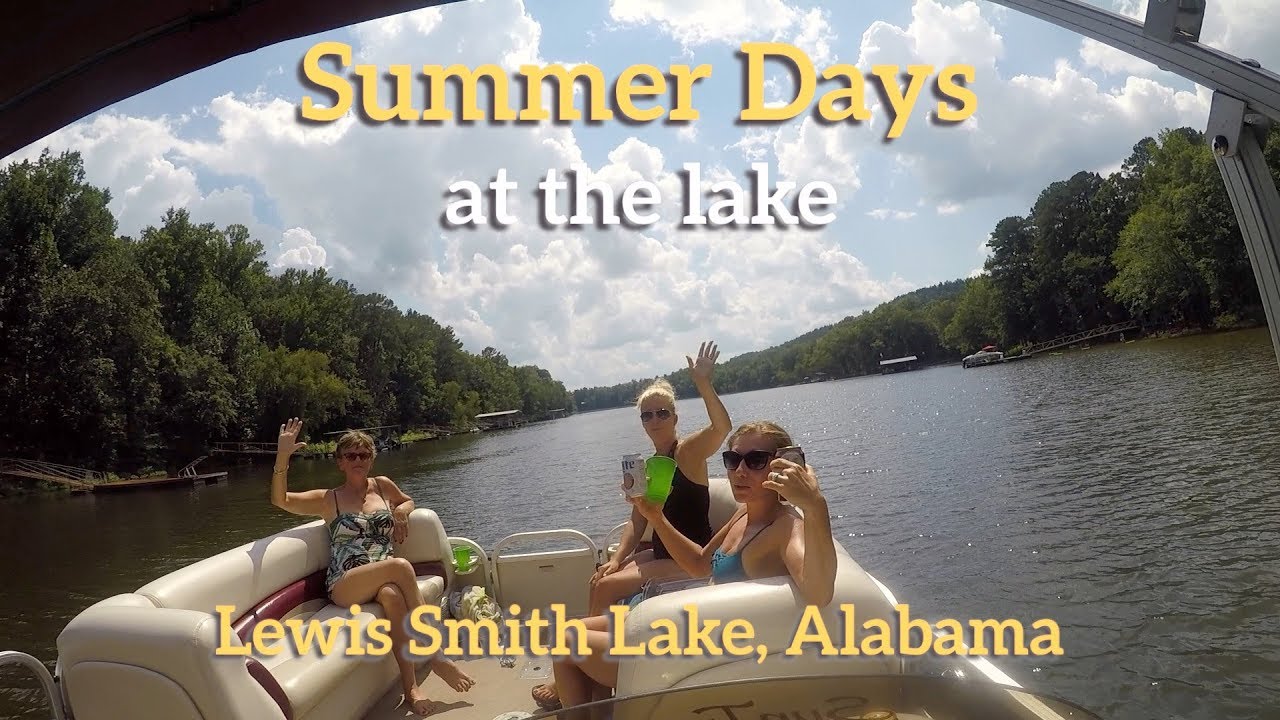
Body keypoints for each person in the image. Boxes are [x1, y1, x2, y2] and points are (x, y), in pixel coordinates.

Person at [542, 420, 837, 715]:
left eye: (756, 460)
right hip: (689, 630)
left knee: (567, 642)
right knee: (569, 632)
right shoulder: (744, 514)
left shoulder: (784, 527)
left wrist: (815, 504)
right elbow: (698, 564)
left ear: (783, 466)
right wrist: (654, 516)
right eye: (732, 460)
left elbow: (820, 592)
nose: (740, 471)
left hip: (704, 654)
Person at [269, 419, 475, 717]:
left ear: (371, 459)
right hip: (345, 583)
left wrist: (402, 512)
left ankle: (411, 688)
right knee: (401, 567)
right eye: (351, 455)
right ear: (339, 462)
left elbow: (407, 500)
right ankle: (435, 656)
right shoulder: (329, 499)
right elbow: (281, 500)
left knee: (392, 595)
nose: (358, 460)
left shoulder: (382, 485)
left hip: (383, 577)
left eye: (364, 454)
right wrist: (283, 457)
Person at [589, 340, 732, 614]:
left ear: (675, 419)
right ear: (642, 421)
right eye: (647, 415)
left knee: (605, 588)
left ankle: (597, 652)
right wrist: (617, 559)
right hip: (662, 553)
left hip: (691, 557)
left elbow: (722, 427)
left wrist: (703, 383)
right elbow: (636, 522)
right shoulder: (648, 465)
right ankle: (596, 645)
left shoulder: (688, 452)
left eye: (662, 413)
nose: (655, 420)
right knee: (599, 579)